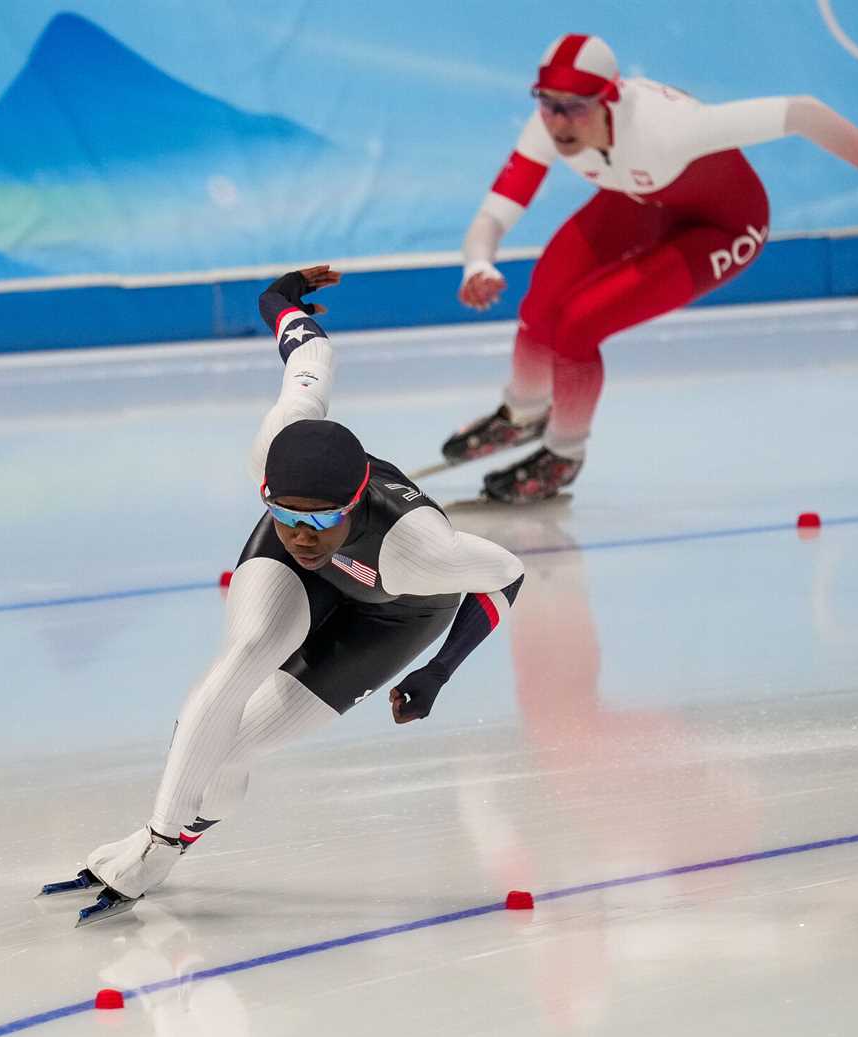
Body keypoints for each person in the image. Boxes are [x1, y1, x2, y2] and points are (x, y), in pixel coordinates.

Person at [43, 267, 525, 925]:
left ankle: (170, 845)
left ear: (354, 503)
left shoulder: (421, 551)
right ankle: (155, 840)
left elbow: (507, 572)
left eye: (320, 520)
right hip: (312, 578)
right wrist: (279, 297)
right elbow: (309, 354)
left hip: (394, 608)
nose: (302, 534)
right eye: (284, 513)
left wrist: (437, 672)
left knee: (237, 746)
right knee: (243, 656)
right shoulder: (275, 446)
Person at [443, 33, 858, 502]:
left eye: (574, 109)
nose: (558, 124)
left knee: (578, 325)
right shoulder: (551, 124)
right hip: (640, 201)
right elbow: (496, 209)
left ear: (610, 100)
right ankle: (523, 415)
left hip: (723, 227)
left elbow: (804, 112)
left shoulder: (670, 130)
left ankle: (563, 454)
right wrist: (478, 265)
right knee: (541, 300)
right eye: (549, 106)